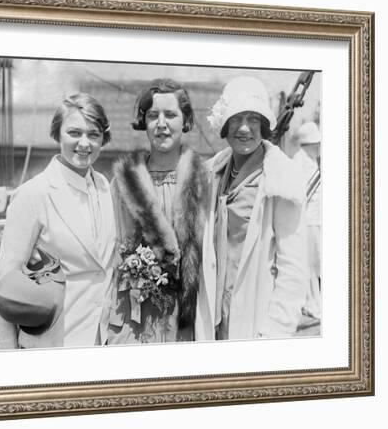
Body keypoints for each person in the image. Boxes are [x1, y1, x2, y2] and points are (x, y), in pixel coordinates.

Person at [0, 93, 117, 349]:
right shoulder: (33, 194)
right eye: (74, 133)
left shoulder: (105, 186)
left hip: (102, 339)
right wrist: (5, 360)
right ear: (57, 134)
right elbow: (5, 283)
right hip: (53, 344)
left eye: (93, 134)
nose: (84, 143)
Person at [195, 76, 309, 340]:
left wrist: (274, 333)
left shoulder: (281, 178)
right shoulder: (213, 172)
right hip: (212, 317)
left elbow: (293, 269)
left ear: (265, 125)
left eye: (253, 119)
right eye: (236, 119)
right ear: (224, 125)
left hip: (255, 319)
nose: (244, 128)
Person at [108, 78, 214, 344]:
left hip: (186, 313)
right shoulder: (124, 182)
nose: (162, 124)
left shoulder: (206, 179)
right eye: (153, 115)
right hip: (134, 309)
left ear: (186, 120)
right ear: (144, 121)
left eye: (171, 115)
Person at [292, 121, 322, 321]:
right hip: (307, 221)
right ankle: (310, 303)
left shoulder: (313, 160)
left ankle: (315, 301)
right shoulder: (299, 161)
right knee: (309, 264)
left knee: (318, 263)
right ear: (309, 143)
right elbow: (300, 194)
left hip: (318, 220)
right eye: (316, 143)